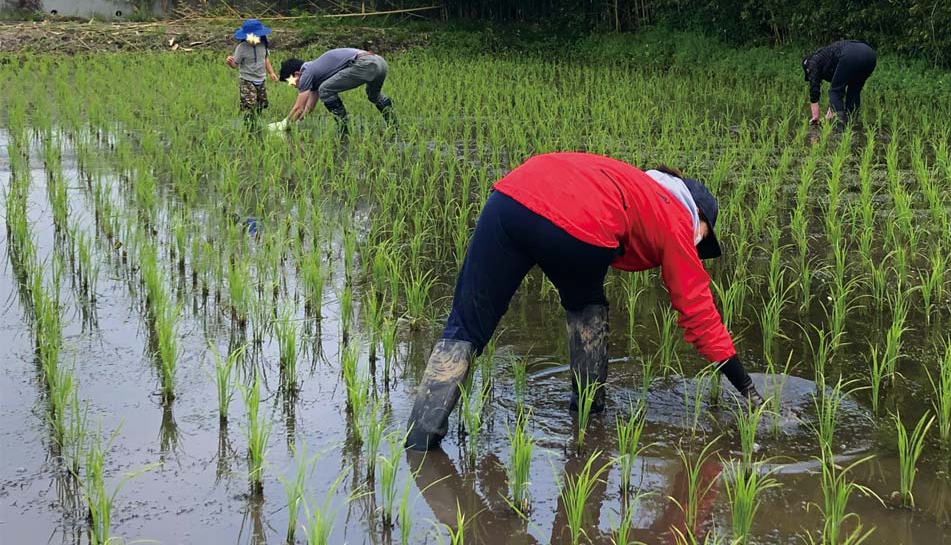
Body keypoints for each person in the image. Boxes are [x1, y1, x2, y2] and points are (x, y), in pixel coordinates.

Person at [405, 152, 763, 451]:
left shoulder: (626, 178)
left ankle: (418, 443)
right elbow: (698, 312)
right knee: (586, 307)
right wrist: (747, 389)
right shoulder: (678, 217)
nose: (700, 245)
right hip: (581, 224)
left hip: (509, 198)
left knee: (465, 326)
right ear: (697, 216)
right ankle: (588, 422)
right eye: (705, 235)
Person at [277, 47, 393, 130]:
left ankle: (344, 126)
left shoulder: (307, 72)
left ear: (297, 74)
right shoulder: (316, 73)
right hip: (379, 62)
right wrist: (295, 122)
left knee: (325, 89)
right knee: (374, 95)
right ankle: (393, 123)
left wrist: (284, 124)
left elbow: (299, 107)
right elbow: (308, 107)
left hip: (364, 63)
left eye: (292, 83)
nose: (294, 86)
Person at [802, 40, 877, 125]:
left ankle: (839, 124)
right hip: (870, 54)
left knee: (834, 91)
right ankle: (852, 122)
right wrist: (831, 109)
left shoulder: (812, 62)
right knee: (854, 90)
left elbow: (814, 87)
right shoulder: (825, 58)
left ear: (807, 69)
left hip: (850, 54)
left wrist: (815, 116)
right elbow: (840, 82)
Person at [223, 19, 277, 121]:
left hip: (261, 78)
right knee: (249, 103)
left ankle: (257, 118)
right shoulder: (242, 48)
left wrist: (271, 72)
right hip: (247, 79)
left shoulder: (263, 46)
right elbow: (235, 65)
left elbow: (265, 59)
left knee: (262, 103)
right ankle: (247, 121)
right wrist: (230, 62)